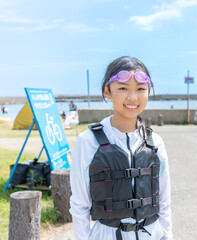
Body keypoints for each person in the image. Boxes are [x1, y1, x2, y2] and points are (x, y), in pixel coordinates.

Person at [70, 56, 173, 240]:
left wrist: (167, 236)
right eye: (123, 88)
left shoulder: (155, 142)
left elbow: (164, 202)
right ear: (107, 92)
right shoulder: (88, 142)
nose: (133, 97)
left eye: (141, 89)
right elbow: (79, 205)